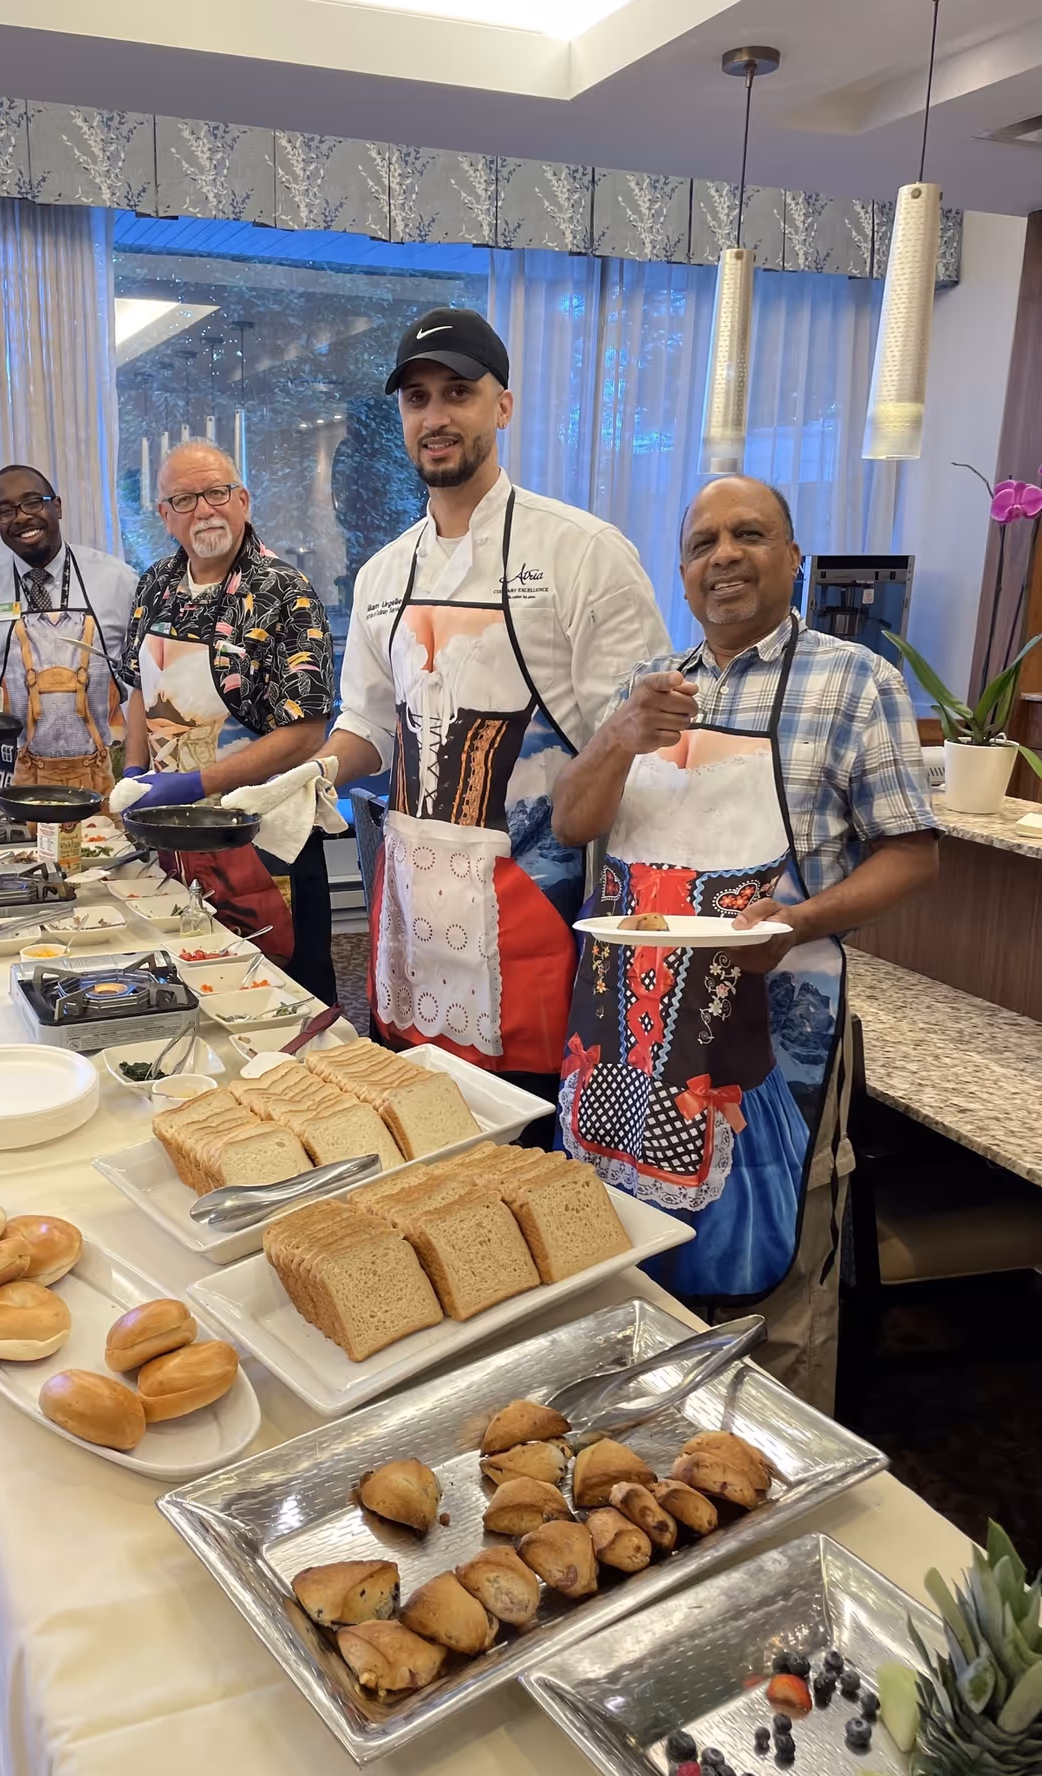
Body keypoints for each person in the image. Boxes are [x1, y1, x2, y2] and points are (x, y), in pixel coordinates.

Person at [550, 475, 939, 1410]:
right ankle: (630, 1437)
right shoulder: (648, 687)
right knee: (627, 1254)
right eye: (702, 543)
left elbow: (913, 856)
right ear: (683, 575)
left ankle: (772, 1453)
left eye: (750, 534)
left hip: (773, 1028)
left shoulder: (855, 684)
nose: (723, 555)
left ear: (794, 558)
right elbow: (572, 824)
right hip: (625, 1034)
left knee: (773, 1275)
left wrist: (795, 922)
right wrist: (618, 737)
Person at [318, 307, 669, 1111]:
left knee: (526, 1161)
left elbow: (639, 749)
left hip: (537, 908)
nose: (435, 417)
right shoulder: (381, 575)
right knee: (414, 1141)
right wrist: (305, 780)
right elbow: (368, 726)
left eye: (457, 393)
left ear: (501, 405)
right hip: (409, 909)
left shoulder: (582, 552)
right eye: (416, 399)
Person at [119, 440, 337, 1005]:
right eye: (185, 499)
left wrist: (196, 786)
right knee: (185, 981)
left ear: (242, 499)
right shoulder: (155, 586)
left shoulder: (285, 591)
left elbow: (306, 733)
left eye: (217, 492)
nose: (205, 510)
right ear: (164, 516)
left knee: (280, 996)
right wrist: (135, 772)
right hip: (171, 833)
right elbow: (140, 688)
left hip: (262, 838)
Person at [0, 465, 137, 798]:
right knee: (20, 852)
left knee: (108, 848)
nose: (21, 517)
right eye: (5, 511)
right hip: (17, 773)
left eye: (33, 502)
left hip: (108, 771)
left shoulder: (118, 581)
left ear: (58, 506)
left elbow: (148, 670)